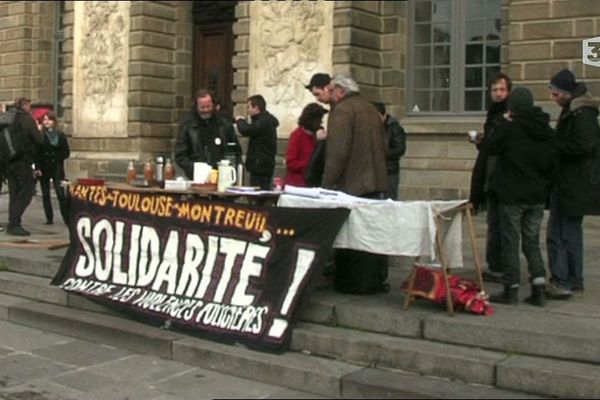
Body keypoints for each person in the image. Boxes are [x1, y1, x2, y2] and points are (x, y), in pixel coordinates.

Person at [485, 88, 558, 306]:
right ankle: (538, 286)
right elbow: (554, 163)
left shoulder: (510, 128)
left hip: (512, 193)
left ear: (513, 107)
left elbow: (491, 147)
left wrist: (503, 123)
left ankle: (511, 288)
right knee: (532, 242)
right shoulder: (546, 130)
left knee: (510, 241)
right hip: (536, 195)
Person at [322, 75, 389, 295]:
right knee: (371, 233)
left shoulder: (342, 110)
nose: (329, 95)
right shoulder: (370, 108)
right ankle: (374, 280)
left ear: (340, 90)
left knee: (352, 235)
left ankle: (353, 282)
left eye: (331, 90)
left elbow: (337, 152)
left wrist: (327, 184)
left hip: (352, 182)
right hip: (375, 179)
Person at [546, 69, 600, 298]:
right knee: (569, 232)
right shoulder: (576, 111)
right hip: (572, 182)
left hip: (573, 183)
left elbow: (583, 147)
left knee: (560, 233)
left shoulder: (582, 114)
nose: (554, 98)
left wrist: (556, 146)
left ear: (567, 93)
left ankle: (563, 279)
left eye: (556, 93)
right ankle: (573, 278)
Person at [468, 73, 512, 283]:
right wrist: (482, 142)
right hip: (491, 175)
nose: (498, 93)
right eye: (494, 90)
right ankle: (495, 266)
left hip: (503, 177)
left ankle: (503, 267)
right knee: (494, 224)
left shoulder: (509, 114)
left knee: (503, 225)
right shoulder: (493, 113)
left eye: (502, 89)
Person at [175, 90, 242, 180]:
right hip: (197, 177)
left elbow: (235, 151)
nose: (205, 110)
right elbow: (180, 155)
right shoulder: (188, 126)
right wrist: (194, 169)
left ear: (213, 105)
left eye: (208, 106)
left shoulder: (224, 125)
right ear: (196, 107)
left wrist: (229, 167)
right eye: (202, 107)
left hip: (222, 175)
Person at [5, 98, 43, 236]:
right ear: (24, 106)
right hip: (22, 160)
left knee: (14, 193)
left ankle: (13, 222)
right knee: (26, 192)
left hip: (8, 162)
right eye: (29, 106)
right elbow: (39, 139)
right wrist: (39, 130)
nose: (30, 108)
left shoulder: (6, 118)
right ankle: (14, 223)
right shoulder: (26, 119)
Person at [235, 95, 279, 190]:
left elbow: (245, 130)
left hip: (260, 166)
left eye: (248, 107)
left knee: (258, 193)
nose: (247, 110)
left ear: (256, 108)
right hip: (261, 165)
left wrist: (239, 121)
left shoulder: (263, 122)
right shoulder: (264, 120)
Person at [36, 111, 70, 225]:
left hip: (57, 168)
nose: (46, 122)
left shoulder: (60, 135)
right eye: (44, 120)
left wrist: (57, 158)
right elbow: (37, 154)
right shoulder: (40, 135)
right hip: (44, 167)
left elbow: (66, 152)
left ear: (54, 121)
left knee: (61, 194)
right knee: (46, 195)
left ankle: (66, 218)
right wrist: (37, 168)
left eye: (49, 120)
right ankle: (49, 218)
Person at [284, 103, 328, 188]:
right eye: (319, 120)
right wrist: (311, 165)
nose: (320, 122)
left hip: (312, 183)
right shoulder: (297, 135)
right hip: (297, 183)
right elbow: (291, 162)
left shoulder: (317, 136)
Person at [372, 102, 406, 200]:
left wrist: (381, 153)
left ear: (384, 115)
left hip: (389, 170)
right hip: (374, 170)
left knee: (390, 199)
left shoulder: (395, 128)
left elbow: (399, 149)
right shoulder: (371, 127)